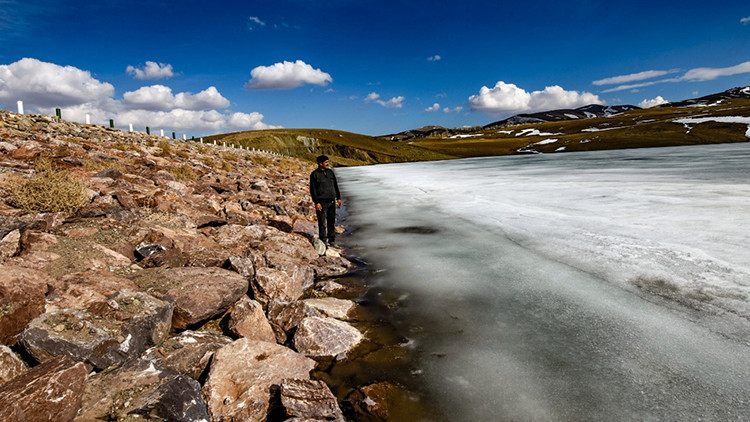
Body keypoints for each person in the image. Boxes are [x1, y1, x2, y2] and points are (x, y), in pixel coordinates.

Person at [310, 155, 342, 247]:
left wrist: (338, 198)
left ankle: (332, 241)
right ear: (320, 163)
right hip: (322, 202)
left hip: (332, 201)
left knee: (331, 222)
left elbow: (335, 185)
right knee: (322, 223)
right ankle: (323, 241)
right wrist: (316, 202)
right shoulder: (314, 174)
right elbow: (313, 190)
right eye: (326, 162)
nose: (328, 163)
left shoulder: (330, 172)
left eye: (328, 162)